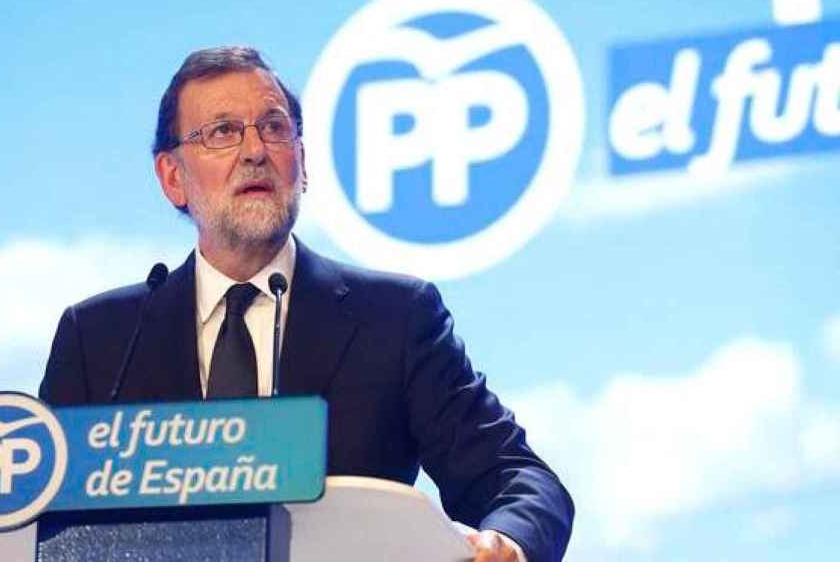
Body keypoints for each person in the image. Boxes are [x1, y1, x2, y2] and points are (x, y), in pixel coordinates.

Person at [39, 46, 573, 562]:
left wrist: (510, 541)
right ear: (173, 178)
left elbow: (515, 477)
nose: (255, 151)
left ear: (302, 161)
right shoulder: (102, 341)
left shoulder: (395, 319)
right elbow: (42, 523)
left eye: (273, 128)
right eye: (223, 131)